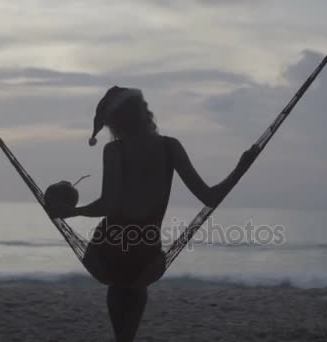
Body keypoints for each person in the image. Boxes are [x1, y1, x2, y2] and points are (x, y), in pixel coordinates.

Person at [50, 86, 255, 342]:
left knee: (117, 286)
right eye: (143, 106)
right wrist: (240, 168)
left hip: (105, 254)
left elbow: (107, 206)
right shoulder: (170, 147)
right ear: (140, 113)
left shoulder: (114, 151)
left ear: (116, 122)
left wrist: (73, 212)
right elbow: (210, 198)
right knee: (135, 287)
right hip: (144, 257)